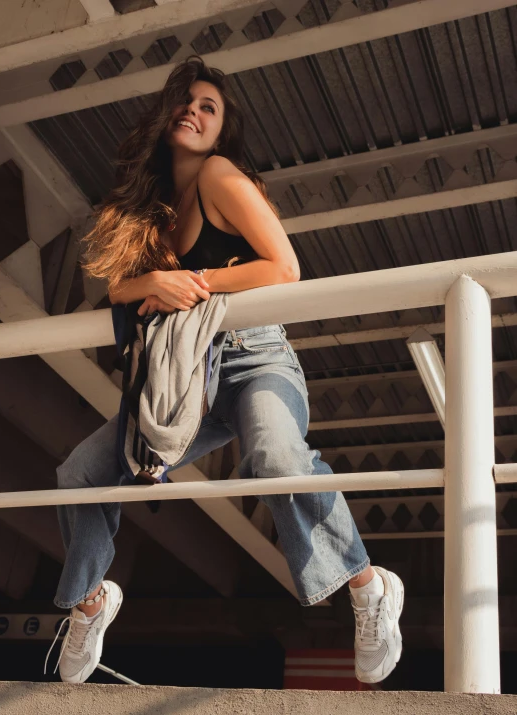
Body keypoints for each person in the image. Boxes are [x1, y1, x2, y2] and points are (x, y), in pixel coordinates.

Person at [49, 56, 404, 686]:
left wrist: (195, 284)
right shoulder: (153, 207)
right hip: (188, 376)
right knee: (80, 471)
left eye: (208, 107)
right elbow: (117, 293)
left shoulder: (218, 174)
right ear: (165, 117)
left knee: (271, 455)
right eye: (185, 101)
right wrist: (154, 280)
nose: (193, 110)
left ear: (220, 132)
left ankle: (369, 585)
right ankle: (89, 604)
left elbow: (284, 266)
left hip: (256, 355)